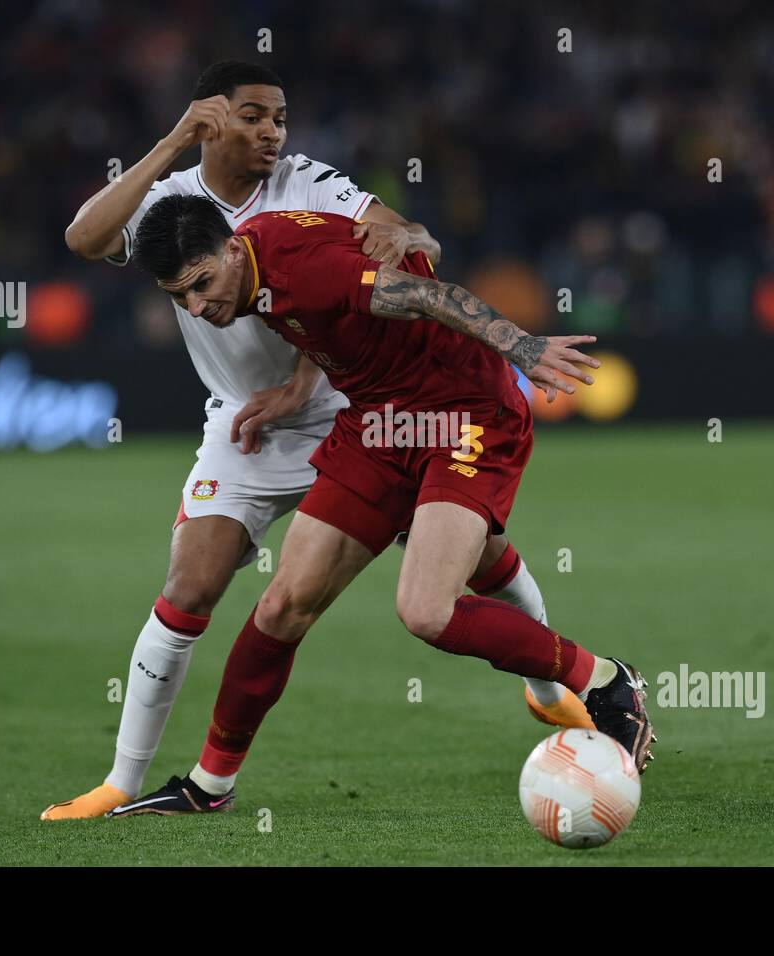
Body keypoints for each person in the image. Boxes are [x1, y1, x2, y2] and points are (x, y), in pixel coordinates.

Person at [42, 61, 586, 822]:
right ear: (212, 119)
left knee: (478, 559)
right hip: (242, 423)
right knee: (189, 586)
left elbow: (403, 240)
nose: (273, 132)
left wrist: (402, 242)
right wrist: (170, 144)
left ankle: (554, 690)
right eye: (254, 116)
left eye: (280, 118)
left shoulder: (310, 183)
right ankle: (123, 783)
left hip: (349, 409)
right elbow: (82, 237)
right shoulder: (171, 206)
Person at [104, 196, 655, 816]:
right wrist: (301, 386)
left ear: (233, 249)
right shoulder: (253, 263)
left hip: (463, 415)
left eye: (201, 284)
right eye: (181, 298)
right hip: (377, 423)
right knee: (283, 605)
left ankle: (606, 681)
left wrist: (521, 346)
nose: (198, 307)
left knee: (426, 609)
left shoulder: (301, 268)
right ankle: (209, 787)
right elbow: (355, 291)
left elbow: (429, 294)